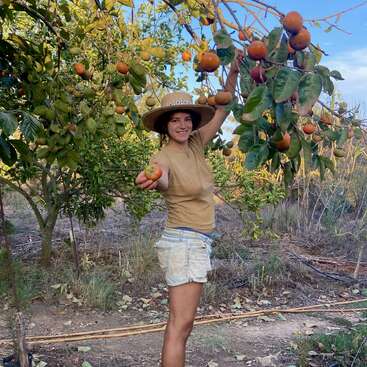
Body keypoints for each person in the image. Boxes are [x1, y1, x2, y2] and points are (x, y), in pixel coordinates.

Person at [135, 50, 243, 367]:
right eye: (174, 120)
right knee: (180, 326)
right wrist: (156, 180)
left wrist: (233, 72)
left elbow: (223, 107)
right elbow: (163, 179)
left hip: (196, 242)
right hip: (184, 243)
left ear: (192, 122)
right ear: (164, 126)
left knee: (182, 325)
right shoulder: (163, 158)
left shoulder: (196, 143)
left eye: (186, 119)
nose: (181, 125)